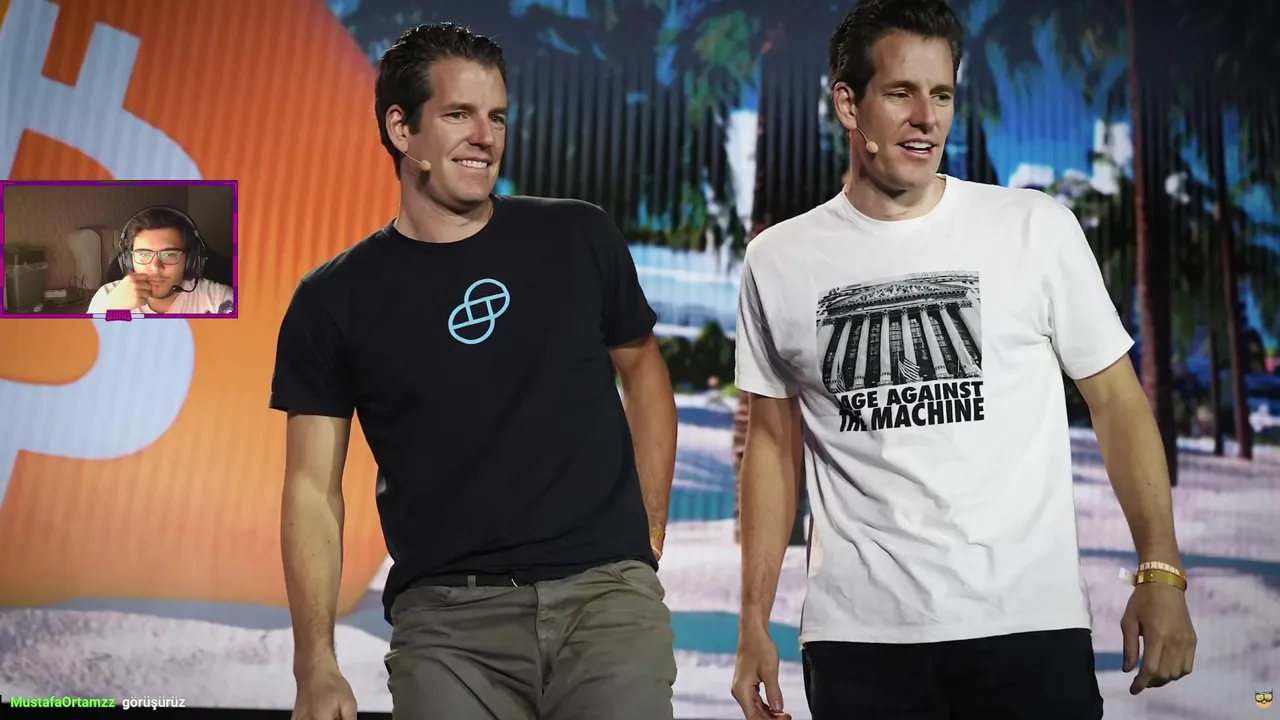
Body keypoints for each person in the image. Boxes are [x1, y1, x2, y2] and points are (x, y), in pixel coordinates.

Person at [729, 1, 1197, 718]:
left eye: (942, 95)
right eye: (901, 93)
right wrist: (753, 622)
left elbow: (1117, 403)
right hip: (859, 642)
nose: (927, 118)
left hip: (1029, 627)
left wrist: (1160, 571)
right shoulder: (778, 259)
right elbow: (770, 443)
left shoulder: (1034, 229)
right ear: (849, 105)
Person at [270, 22, 679, 720]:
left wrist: (649, 536)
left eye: (497, 117)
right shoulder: (333, 299)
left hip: (604, 606)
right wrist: (315, 662)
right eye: (459, 114)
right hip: (447, 629)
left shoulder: (578, 236)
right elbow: (313, 489)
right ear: (402, 129)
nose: (485, 136)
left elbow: (644, 374)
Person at [87, 206, 233, 314]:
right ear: (128, 261)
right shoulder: (107, 297)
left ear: (190, 260)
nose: (156, 267)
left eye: (169, 254)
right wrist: (111, 308)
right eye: (144, 254)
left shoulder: (219, 300)